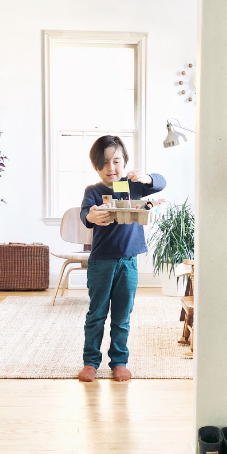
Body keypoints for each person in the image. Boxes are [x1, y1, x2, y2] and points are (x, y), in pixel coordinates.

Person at [79, 136, 166, 383]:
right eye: (103, 164)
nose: (111, 168)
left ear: (125, 162)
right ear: (96, 167)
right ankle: (90, 362)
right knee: (96, 314)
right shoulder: (93, 191)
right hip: (100, 262)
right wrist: (92, 216)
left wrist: (148, 178)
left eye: (116, 161)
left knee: (122, 316)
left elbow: (161, 183)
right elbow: (85, 215)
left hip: (128, 262)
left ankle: (119, 361)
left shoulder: (134, 186)